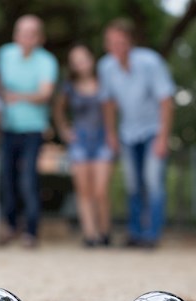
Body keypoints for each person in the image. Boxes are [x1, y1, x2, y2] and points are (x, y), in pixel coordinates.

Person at [98, 19, 175, 248]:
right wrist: (110, 133)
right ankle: (135, 233)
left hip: (153, 130)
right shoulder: (106, 67)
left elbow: (166, 101)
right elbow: (108, 103)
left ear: (130, 42)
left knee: (153, 182)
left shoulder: (150, 62)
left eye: (120, 42)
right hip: (127, 132)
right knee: (132, 184)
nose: (117, 47)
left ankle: (152, 235)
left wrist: (163, 137)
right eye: (112, 43)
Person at [0, 15, 59, 248]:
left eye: (31, 33)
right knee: (7, 179)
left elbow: (45, 94)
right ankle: (11, 226)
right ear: (15, 34)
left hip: (33, 129)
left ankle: (31, 231)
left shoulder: (47, 61)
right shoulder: (4, 54)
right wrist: (24, 96)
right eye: (22, 32)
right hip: (8, 127)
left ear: (40, 37)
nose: (26, 37)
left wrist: (15, 96)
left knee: (28, 180)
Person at [54, 45, 114, 247]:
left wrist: (112, 136)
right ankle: (90, 234)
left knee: (100, 190)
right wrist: (64, 130)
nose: (81, 64)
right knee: (84, 191)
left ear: (92, 59)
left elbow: (111, 113)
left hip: (102, 140)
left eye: (84, 58)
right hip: (80, 141)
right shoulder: (69, 87)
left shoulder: (104, 84)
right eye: (76, 60)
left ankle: (105, 231)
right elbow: (59, 110)